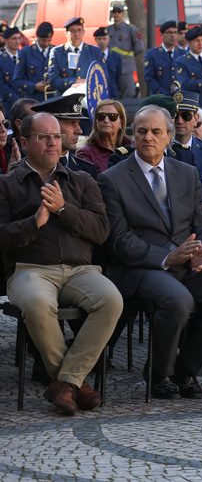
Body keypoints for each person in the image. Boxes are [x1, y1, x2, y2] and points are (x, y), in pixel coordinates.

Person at [98, 104, 202, 399]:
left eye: (155, 132)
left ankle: (184, 368)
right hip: (141, 267)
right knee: (178, 300)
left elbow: (201, 223)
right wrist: (165, 257)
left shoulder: (186, 173)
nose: (148, 137)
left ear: (168, 137)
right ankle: (159, 373)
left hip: (188, 263)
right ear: (132, 136)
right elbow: (119, 241)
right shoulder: (112, 179)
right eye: (141, 131)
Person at [0, 112, 122, 415]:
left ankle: (65, 383)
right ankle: (76, 385)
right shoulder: (7, 185)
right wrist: (35, 222)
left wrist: (64, 209)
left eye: (56, 136)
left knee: (111, 300)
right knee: (39, 304)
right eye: (44, 137)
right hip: (30, 271)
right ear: (25, 142)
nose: (53, 143)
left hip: (80, 270)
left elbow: (101, 230)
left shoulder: (82, 180)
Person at [30, 93, 98, 179]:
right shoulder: (30, 168)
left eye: (78, 123)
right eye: (71, 123)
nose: (79, 131)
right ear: (51, 125)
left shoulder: (87, 169)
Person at [172, 93, 202, 207]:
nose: (179, 121)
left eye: (186, 116)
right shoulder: (159, 152)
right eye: (175, 116)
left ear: (196, 119)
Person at [47, 18, 104, 96]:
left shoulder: (95, 51)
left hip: (88, 100)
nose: (76, 34)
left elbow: (104, 78)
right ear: (66, 33)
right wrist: (76, 81)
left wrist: (88, 83)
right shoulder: (57, 52)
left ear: (83, 32)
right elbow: (53, 81)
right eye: (73, 31)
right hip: (65, 100)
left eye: (79, 30)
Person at [76, 99, 130, 174]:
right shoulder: (86, 152)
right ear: (96, 122)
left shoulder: (132, 150)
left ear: (121, 123)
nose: (106, 120)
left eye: (112, 116)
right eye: (101, 116)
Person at [105, 1, 144, 98]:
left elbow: (139, 47)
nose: (117, 14)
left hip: (126, 68)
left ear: (123, 13)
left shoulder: (131, 29)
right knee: (112, 95)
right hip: (111, 68)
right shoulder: (107, 30)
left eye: (119, 11)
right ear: (112, 14)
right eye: (114, 11)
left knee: (128, 95)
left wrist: (127, 56)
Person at [13, 21, 53, 102]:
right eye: (43, 40)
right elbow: (17, 81)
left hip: (52, 100)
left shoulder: (55, 51)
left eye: (49, 40)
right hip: (33, 101)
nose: (46, 43)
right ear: (37, 37)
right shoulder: (26, 52)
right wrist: (34, 86)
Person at [144, 21, 183, 96]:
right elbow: (149, 78)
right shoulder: (152, 54)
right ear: (162, 35)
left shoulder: (182, 53)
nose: (173, 35)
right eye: (169, 33)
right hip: (160, 98)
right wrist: (165, 94)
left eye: (175, 32)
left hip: (180, 97)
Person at [91, 26, 123, 99]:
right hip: (96, 94)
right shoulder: (92, 56)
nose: (102, 41)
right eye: (99, 39)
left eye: (104, 38)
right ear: (95, 40)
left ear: (108, 39)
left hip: (112, 94)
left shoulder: (116, 56)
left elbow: (118, 77)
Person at [1, 26, 22, 114]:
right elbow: (1, 84)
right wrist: (16, 99)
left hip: (26, 100)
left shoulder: (24, 56)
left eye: (19, 38)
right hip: (9, 103)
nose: (17, 41)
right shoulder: (1, 59)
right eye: (14, 39)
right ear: (6, 41)